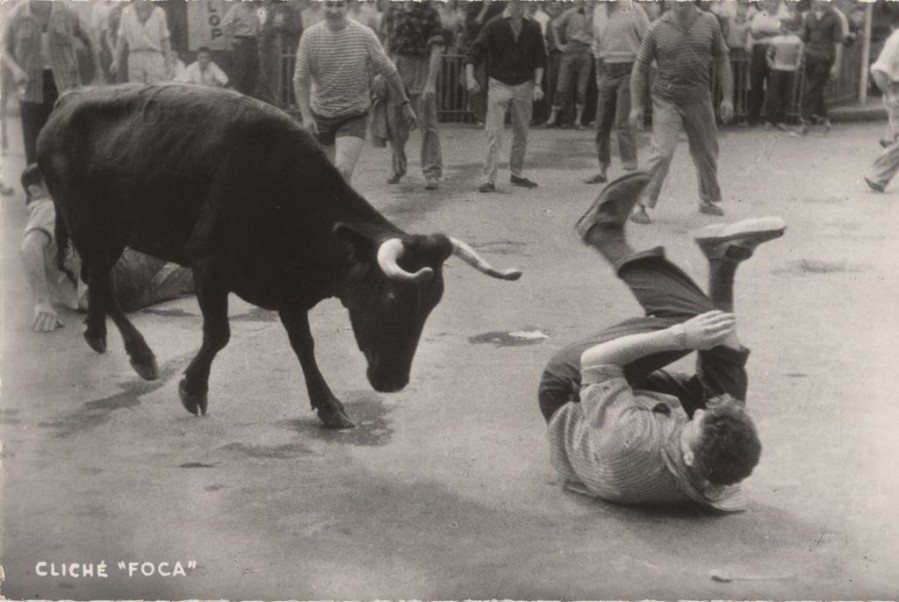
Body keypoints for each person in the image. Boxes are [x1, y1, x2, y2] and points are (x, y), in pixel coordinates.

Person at [540, 172, 786, 511]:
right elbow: (725, 490)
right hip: (638, 416)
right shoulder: (718, 474)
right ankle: (723, 263)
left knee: (689, 322)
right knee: (728, 399)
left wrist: (681, 337)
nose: (696, 412)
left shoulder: (632, 440)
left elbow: (595, 362)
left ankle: (603, 233)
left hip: (570, 393)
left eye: (695, 422)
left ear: (686, 454)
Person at [19, 165, 195, 333]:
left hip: (105, 301)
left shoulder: (37, 221)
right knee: (171, 227)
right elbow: (29, 247)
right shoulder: (46, 207)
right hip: (116, 275)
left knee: (189, 277)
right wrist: (42, 302)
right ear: (35, 191)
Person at [628, 0, 734, 224]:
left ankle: (707, 199)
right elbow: (640, 67)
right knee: (662, 152)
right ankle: (641, 204)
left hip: (699, 98)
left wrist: (728, 98)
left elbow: (723, 59)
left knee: (706, 151)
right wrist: (636, 106)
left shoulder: (709, 22)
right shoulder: (656, 28)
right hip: (667, 100)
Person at [293, 0, 417, 184]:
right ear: (322, 7)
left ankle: (341, 211)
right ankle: (337, 212)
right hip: (321, 115)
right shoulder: (310, 37)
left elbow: (389, 71)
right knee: (325, 176)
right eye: (329, 5)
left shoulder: (364, 35)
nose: (334, 10)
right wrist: (306, 117)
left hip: (353, 115)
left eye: (339, 5)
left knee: (342, 171)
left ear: (348, 7)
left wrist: (405, 104)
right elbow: (300, 79)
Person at [1, 0, 103, 165]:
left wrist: (98, 74)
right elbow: (4, 48)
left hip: (64, 86)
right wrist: (16, 69)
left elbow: (89, 38)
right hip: (30, 86)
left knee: (65, 139)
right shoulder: (16, 15)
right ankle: (35, 186)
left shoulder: (68, 12)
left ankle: (62, 186)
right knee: (33, 141)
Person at [465, 0, 547, 193]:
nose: (518, 5)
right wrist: (470, 77)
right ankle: (489, 178)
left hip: (524, 84)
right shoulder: (494, 24)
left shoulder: (533, 26)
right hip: (499, 82)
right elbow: (474, 52)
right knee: (493, 132)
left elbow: (540, 58)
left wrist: (537, 84)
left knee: (522, 131)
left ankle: (516, 172)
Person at [381, 0, 445, 190]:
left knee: (427, 124)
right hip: (397, 66)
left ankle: (432, 171)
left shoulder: (430, 12)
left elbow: (436, 49)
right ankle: (398, 167)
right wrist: (382, 71)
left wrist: (431, 83)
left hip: (421, 66)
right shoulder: (393, 10)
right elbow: (388, 43)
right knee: (395, 123)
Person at [584, 0, 648, 185]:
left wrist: (642, 74)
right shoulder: (598, 11)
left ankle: (630, 171)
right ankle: (602, 170)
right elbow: (597, 46)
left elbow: (647, 39)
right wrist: (598, 75)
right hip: (606, 71)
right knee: (601, 122)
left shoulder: (633, 8)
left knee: (623, 122)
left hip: (630, 70)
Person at [795, 0, 844, 136]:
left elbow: (838, 43)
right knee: (815, 90)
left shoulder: (835, 17)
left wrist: (836, 65)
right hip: (810, 56)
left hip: (825, 57)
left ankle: (804, 124)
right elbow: (804, 39)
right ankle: (826, 122)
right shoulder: (809, 16)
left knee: (812, 90)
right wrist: (799, 58)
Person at [544, 0, 594, 130]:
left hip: (586, 51)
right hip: (571, 49)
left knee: (581, 89)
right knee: (561, 86)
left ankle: (578, 120)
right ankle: (552, 118)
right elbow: (554, 25)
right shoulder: (572, 12)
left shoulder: (599, 15)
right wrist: (559, 45)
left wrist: (594, 47)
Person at [863, 16, 899, 193]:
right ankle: (878, 174)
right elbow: (878, 70)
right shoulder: (896, 40)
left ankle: (878, 175)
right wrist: (889, 94)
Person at [112, 0, 174, 84]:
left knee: (155, 91)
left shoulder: (159, 12)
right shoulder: (126, 11)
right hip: (135, 56)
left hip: (154, 56)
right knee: (136, 91)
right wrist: (116, 60)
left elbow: (165, 39)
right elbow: (122, 37)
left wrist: (169, 63)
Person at [746, 0, 787, 128]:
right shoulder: (759, 15)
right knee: (756, 85)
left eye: (775, 2)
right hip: (759, 51)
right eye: (770, 2)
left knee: (774, 86)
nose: (772, 4)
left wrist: (764, 31)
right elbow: (754, 34)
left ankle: (772, 119)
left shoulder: (782, 17)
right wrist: (771, 32)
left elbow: (782, 32)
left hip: (775, 51)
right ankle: (752, 119)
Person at [765, 16, 803, 132]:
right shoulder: (775, 40)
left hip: (790, 70)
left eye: (787, 26)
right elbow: (768, 54)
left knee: (786, 95)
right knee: (773, 95)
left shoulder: (796, 40)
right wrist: (771, 63)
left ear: (791, 27)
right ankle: (770, 120)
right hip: (777, 69)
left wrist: (797, 63)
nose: (785, 28)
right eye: (782, 26)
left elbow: (799, 54)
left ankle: (781, 121)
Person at [222, 0, 261, 97]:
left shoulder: (256, 8)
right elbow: (224, 24)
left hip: (253, 43)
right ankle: (240, 99)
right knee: (241, 74)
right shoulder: (236, 8)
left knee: (253, 72)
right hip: (241, 43)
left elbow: (259, 25)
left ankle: (250, 99)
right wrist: (232, 39)